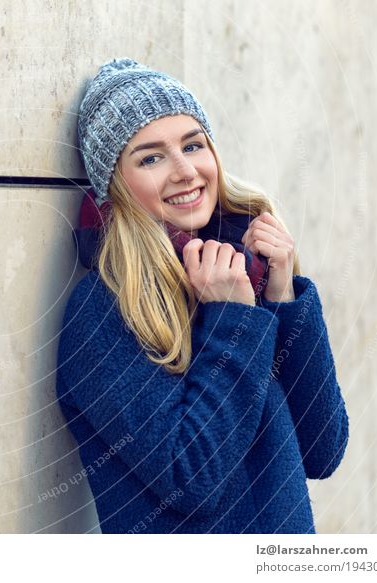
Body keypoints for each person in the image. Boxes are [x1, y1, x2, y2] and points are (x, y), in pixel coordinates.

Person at [56, 58, 349, 534]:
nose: (185, 170)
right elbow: (195, 481)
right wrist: (233, 320)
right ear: (116, 185)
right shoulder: (103, 310)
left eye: (193, 145)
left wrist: (281, 297)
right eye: (150, 157)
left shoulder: (246, 275)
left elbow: (323, 449)